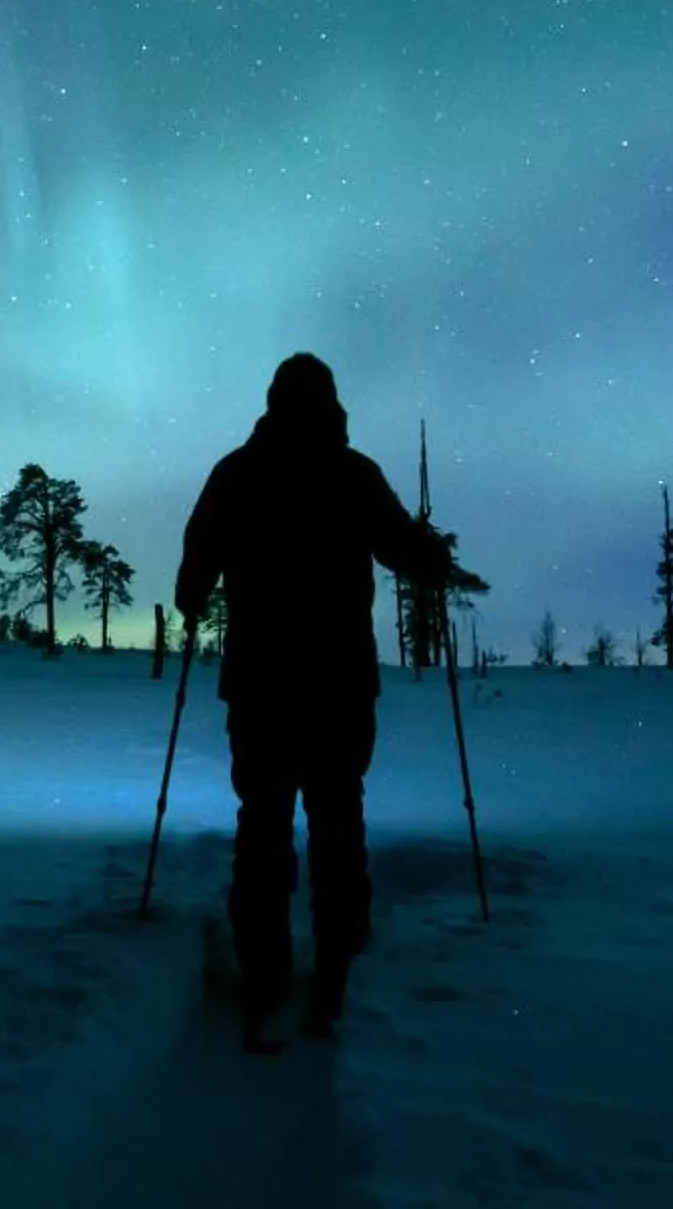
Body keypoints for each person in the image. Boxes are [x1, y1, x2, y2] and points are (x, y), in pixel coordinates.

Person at [175, 352, 452, 1048]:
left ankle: (265, 971)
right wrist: (432, 559)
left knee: (263, 824)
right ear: (330, 404)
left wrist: (193, 593)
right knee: (337, 819)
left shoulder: (237, 473)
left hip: (261, 685)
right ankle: (339, 957)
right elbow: (402, 547)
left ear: (272, 402)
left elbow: (195, 567)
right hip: (339, 683)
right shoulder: (352, 474)